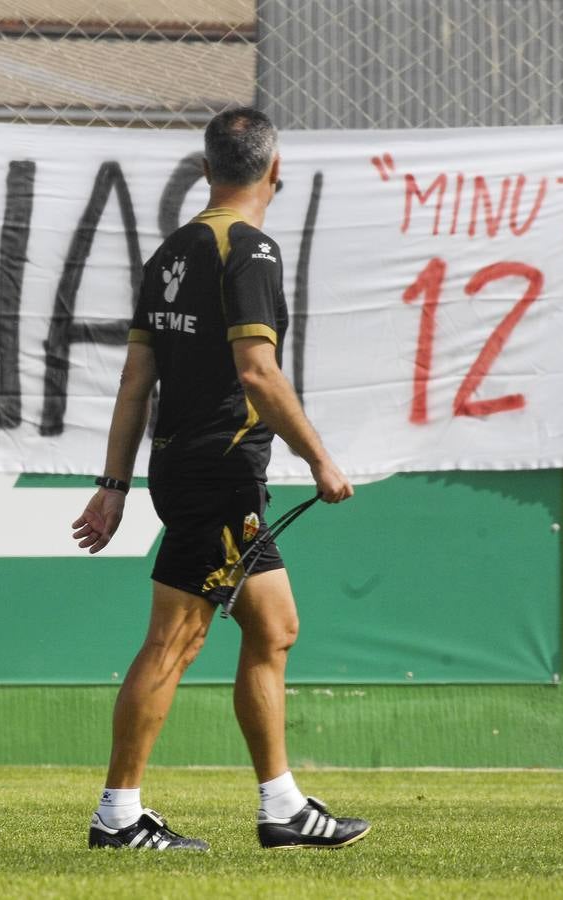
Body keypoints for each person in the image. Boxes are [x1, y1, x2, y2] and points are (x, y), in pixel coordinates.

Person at [72, 107, 371, 850]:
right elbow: (256, 371)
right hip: (219, 474)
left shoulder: (169, 252)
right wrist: (319, 460)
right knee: (173, 642)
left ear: (206, 170)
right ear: (276, 170)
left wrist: (114, 485)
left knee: (274, 628)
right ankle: (118, 815)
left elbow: (135, 384)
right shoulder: (251, 252)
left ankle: (281, 808)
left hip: (190, 468)